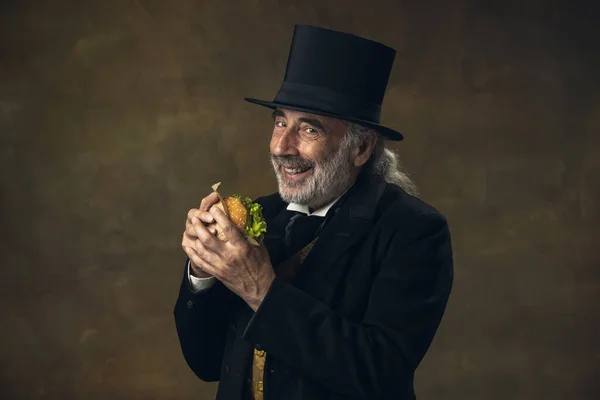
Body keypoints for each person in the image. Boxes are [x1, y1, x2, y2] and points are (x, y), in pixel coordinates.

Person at [174, 25, 453, 400]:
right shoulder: (261, 214)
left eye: (309, 129)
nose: (283, 146)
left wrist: (262, 290)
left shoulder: (414, 230)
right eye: (280, 122)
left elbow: (379, 374)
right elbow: (205, 364)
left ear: (362, 148)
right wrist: (204, 274)